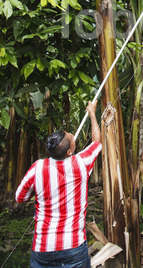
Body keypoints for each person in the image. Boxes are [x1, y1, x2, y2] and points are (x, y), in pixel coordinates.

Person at [15, 101, 102, 268]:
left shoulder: (38, 167)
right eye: (70, 136)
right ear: (69, 151)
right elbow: (96, 142)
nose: (71, 134)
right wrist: (92, 113)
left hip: (42, 247)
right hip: (73, 246)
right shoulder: (81, 163)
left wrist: (38, 190)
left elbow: (20, 197)